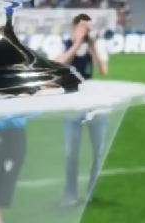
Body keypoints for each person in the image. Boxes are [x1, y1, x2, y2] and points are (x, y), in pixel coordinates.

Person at [55, 13, 109, 207]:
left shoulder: (96, 45)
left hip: (94, 104)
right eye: (84, 27)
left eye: (89, 28)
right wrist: (76, 44)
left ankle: (89, 193)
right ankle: (70, 194)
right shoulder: (63, 43)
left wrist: (92, 46)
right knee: (71, 152)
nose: (87, 31)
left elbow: (102, 70)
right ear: (75, 28)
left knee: (98, 151)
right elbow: (58, 65)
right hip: (72, 105)